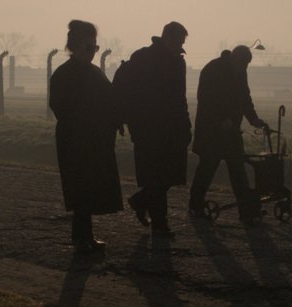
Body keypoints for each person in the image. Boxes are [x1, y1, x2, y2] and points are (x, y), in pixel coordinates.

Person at [49, 19, 122, 252]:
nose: (93, 52)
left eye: (95, 48)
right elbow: (61, 108)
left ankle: (85, 236)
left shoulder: (94, 73)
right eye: (90, 47)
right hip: (76, 141)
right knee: (81, 188)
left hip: (95, 139)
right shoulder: (64, 75)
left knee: (90, 188)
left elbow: (110, 100)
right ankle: (81, 238)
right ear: (76, 46)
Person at [112, 21, 191, 237]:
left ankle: (142, 202)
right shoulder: (143, 58)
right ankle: (159, 224)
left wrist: (185, 125)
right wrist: (123, 118)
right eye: (179, 42)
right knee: (157, 177)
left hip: (170, 127)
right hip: (147, 127)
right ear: (168, 39)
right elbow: (123, 89)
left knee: (168, 176)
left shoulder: (175, 62)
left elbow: (179, 98)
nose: (181, 46)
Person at [188, 45, 267, 222]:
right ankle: (195, 206)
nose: (245, 68)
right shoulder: (213, 69)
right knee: (207, 170)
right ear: (235, 58)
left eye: (247, 65)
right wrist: (221, 120)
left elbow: (245, 98)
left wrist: (253, 118)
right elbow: (206, 99)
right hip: (211, 131)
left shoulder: (239, 71)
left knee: (238, 170)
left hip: (231, 132)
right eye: (244, 64)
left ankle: (246, 211)